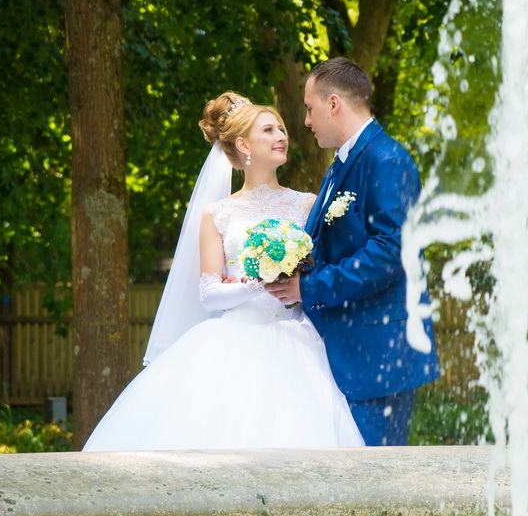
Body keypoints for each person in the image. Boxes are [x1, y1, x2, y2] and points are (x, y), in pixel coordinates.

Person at [83, 93, 363, 451]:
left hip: (299, 341)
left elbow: (318, 269)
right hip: (236, 340)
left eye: (281, 128)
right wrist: (256, 283)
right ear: (243, 144)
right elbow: (210, 292)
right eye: (269, 129)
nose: (282, 135)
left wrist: (297, 277)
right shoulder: (217, 214)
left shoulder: (307, 204)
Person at [268, 57, 439, 445]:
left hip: (378, 358)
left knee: (376, 489)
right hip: (348, 353)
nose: (306, 121)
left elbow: (392, 253)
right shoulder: (342, 164)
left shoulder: (387, 159)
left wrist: (308, 288)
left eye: (310, 109)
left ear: (334, 104)